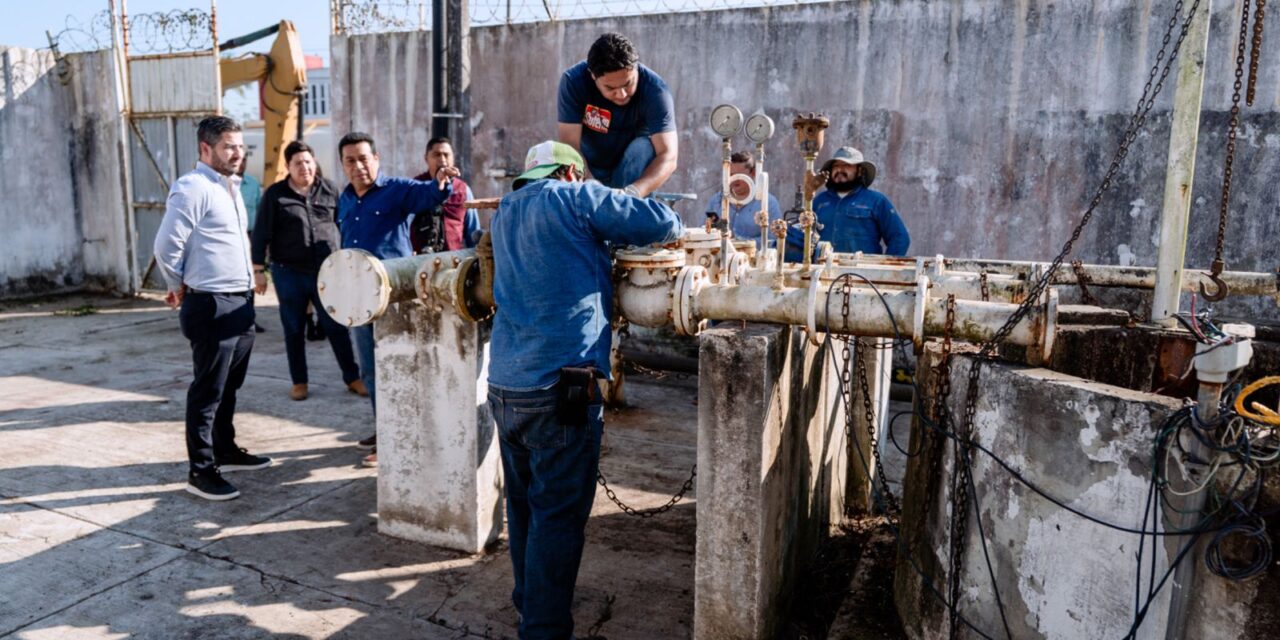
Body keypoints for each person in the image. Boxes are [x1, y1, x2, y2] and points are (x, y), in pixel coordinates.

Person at [487, 141, 682, 639]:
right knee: (558, 516)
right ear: (571, 172)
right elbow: (658, 223)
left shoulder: (506, 211)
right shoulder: (574, 197)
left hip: (506, 384)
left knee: (525, 506)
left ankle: (528, 603)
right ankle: (545, 628)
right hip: (561, 388)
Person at [153, 115, 273, 502]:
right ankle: (200, 470)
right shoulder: (192, 187)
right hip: (211, 303)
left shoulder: (230, 187)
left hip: (240, 302)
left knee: (230, 386)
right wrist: (178, 287)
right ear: (206, 148)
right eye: (228, 146)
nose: (237, 153)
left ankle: (226, 449)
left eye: (240, 146)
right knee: (207, 391)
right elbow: (166, 246)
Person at [337, 131, 458, 467]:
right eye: (351, 160)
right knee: (371, 369)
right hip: (357, 297)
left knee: (400, 365)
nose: (358, 166)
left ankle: (400, 437)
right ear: (343, 165)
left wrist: (441, 181)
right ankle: (384, 427)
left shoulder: (397, 190)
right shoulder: (345, 199)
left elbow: (429, 195)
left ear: (376, 159)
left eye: (364, 158)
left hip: (394, 297)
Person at [251, 140, 367, 402]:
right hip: (288, 272)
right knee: (293, 328)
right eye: (297, 163)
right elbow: (261, 234)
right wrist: (258, 270)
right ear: (287, 167)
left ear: (314, 163)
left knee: (336, 327)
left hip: (327, 272)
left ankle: (352, 377)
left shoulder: (330, 190)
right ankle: (299, 381)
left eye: (307, 161)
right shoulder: (275, 195)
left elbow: (346, 226)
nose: (304, 167)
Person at [557, 32, 677, 196]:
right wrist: (590, 185)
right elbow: (570, 147)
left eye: (628, 84)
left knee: (644, 147)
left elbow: (668, 156)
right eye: (610, 88)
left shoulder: (656, 91)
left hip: (633, 172)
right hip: (589, 167)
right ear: (593, 76)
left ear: (635, 68)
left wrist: (634, 192)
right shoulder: (573, 82)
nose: (621, 94)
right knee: (555, 155)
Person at [811, 146, 910, 255]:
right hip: (824, 269)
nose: (840, 169)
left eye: (847, 165)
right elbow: (802, 237)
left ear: (860, 171)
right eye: (836, 166)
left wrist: (885, 268)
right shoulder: (818, 202)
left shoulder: (876, 201)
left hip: (862, 271)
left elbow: (899, 238)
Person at [411, 137, 482, 253]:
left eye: (446, 155)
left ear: (453, 158)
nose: (442, 160)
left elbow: (473, 231)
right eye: (437, 155)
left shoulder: (463, 190)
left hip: (453, 263)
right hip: (419, 262)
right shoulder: (416, 187)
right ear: (426, 158)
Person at [701, 150, 782, 246]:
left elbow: (773, 240)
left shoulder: (768, 203)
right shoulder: (716, 202)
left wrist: (741, 243)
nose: (734, 180)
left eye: (739, 175)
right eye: (731, 175)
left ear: (753, 173)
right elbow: (704, 231)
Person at [237, 163, 267, 334]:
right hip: (232, 237)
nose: (240, 163)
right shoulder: (222, 183)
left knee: (250, 279)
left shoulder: (253, 183)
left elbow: (259, 210)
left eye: (244, 159)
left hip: (250, 236)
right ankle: (235, 318)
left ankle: (249, 319)